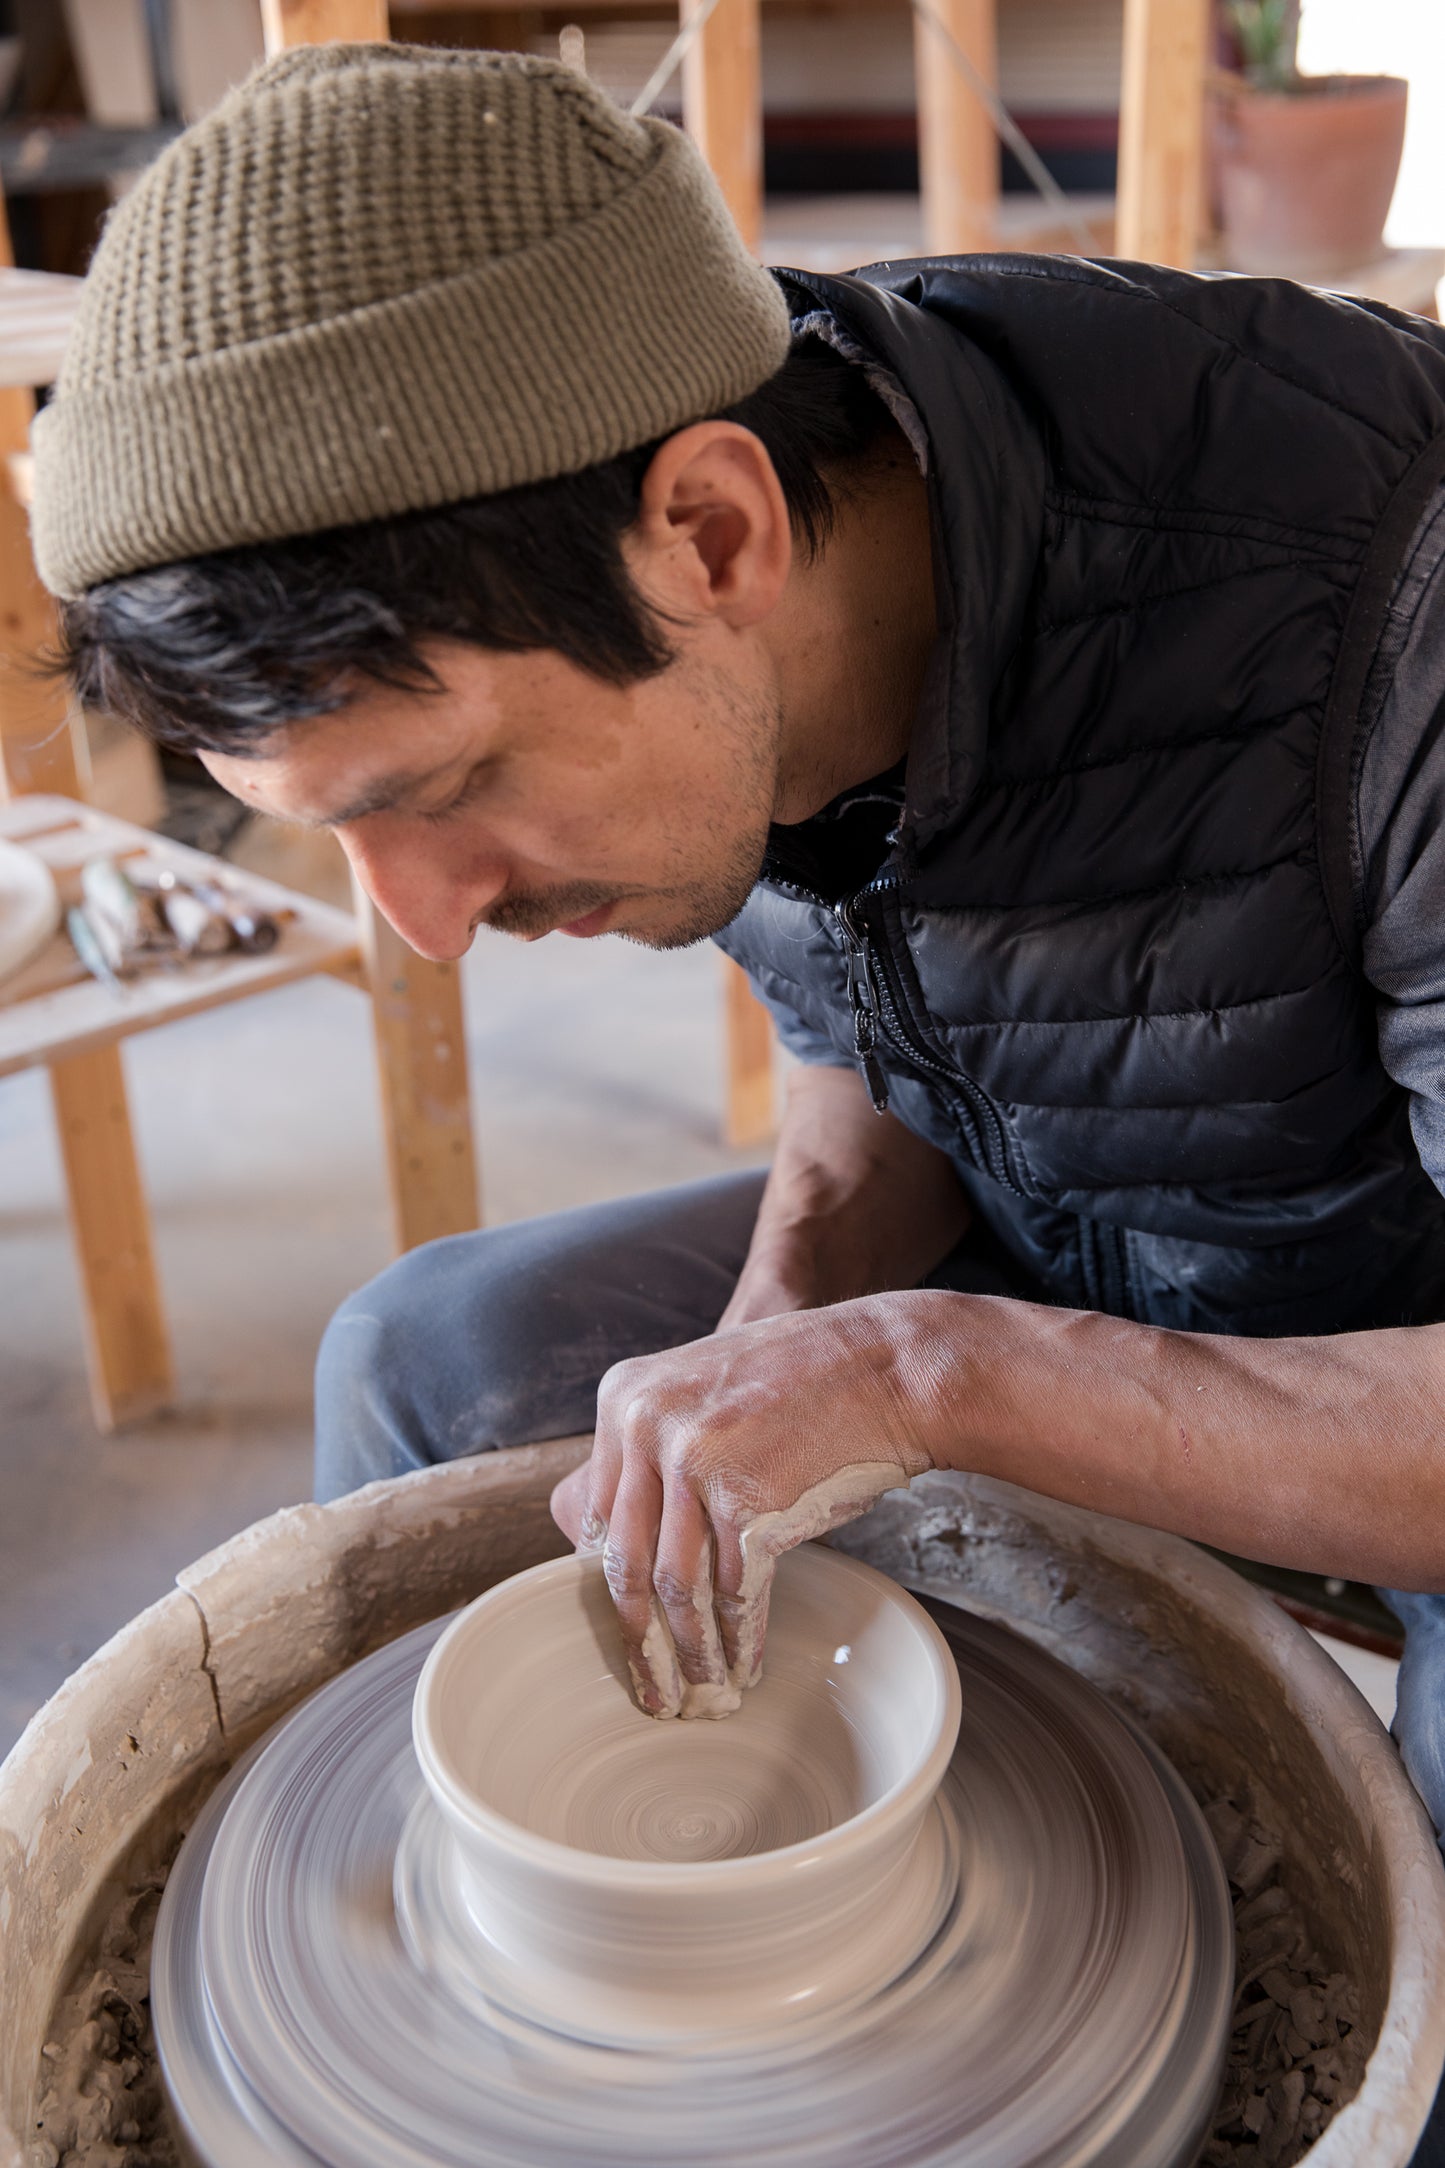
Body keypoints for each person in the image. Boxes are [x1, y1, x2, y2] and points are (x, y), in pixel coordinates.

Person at [35, 34, 1445, 2102]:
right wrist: (789, 1315)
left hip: (1390, 1356)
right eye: (329, 823)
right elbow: (874, 994)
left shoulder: (1396, 607)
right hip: (1084, 1222)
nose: (412, 920)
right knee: (436, 1358)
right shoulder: (763, 543)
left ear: (712, 530)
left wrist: (919, 1371)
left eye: (444, 788)